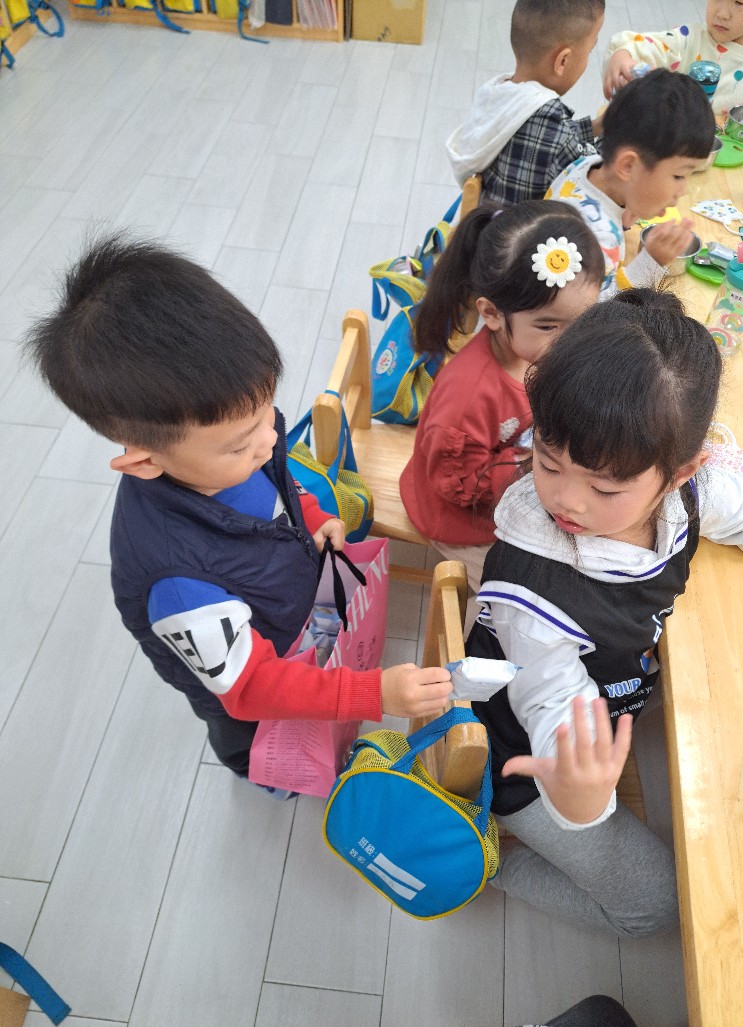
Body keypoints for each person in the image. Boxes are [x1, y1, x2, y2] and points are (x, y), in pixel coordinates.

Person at [24, 236, 453, 785]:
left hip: (287, 609)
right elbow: (249, 689)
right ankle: (269, 779)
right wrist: (372, 693)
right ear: (145, 462)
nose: (270, 439)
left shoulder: (232, 436)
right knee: (268, 747)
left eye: (267, 413)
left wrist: (312, 515)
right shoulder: (179, 585)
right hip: (256, 707)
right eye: (242, 444)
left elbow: (279, 482)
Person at [466, 289, 743, 936]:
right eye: (547, 461)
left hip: (615, 686)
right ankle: (488, 862)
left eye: (605, 488)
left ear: (681, 472)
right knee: (656, 907)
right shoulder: (530, 592)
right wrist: (578, 800)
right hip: (525, 760)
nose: (566, 500)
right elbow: (553, 709)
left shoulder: (690, 493)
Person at [399, 201, 604, 593]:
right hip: (458, 519)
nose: (570, 342)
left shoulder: (534, 349)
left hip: (519, 473)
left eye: (582, 321)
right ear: (492, 314)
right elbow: (455, 484)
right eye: (549, 326)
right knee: (519, 592)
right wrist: (531, 466)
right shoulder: (469, 398)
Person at [546, 69, 715, 299]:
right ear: (628, 166)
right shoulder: (597, 237)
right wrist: (651, 262)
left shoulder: (586, 164)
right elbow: (597, 311)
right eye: (679, 176)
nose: (683, 190)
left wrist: (624, 212)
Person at [446, 0, 605, 206]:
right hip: (522, 226)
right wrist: (622, 129)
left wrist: (597, 125)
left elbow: (558, 137)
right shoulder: (551, 124)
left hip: (485, 218)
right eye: (590, 50)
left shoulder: (499, 92)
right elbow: (598, 181)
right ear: (562, 61)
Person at [603, 0, 743, 120]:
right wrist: (625, 52)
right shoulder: (687, 38)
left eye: (739, 2)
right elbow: (654, 45)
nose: (722, 14)